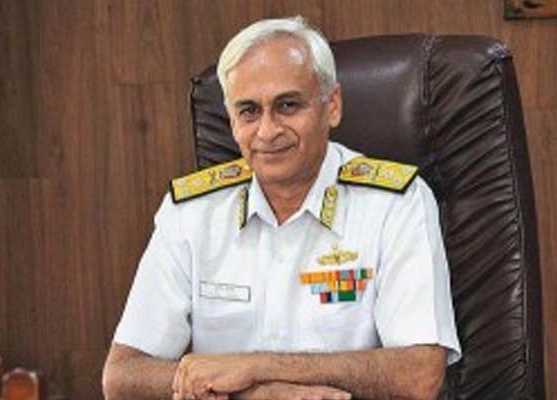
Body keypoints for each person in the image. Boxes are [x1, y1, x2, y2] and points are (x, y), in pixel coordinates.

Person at [102, 16, 461, 400]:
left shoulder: (396, 204)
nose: (267, 131)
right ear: (231, 120)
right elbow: (122, 375)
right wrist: (257, 393)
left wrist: (258, 366)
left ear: (332, 106)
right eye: (248, 111)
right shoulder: (192, 213)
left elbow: (419, 374)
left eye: (288, 105)